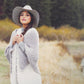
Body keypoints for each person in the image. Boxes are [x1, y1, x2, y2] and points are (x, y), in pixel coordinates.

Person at [4, 5, 42, 84]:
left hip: (28, 75)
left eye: (27, 15)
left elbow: (34, 57)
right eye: (22, 15)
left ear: (31, 18)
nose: (24, 17)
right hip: (15, 74)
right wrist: (12, 43)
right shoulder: (14, 32)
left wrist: (21, 43)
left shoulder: (32, 32)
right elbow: (8, 55)